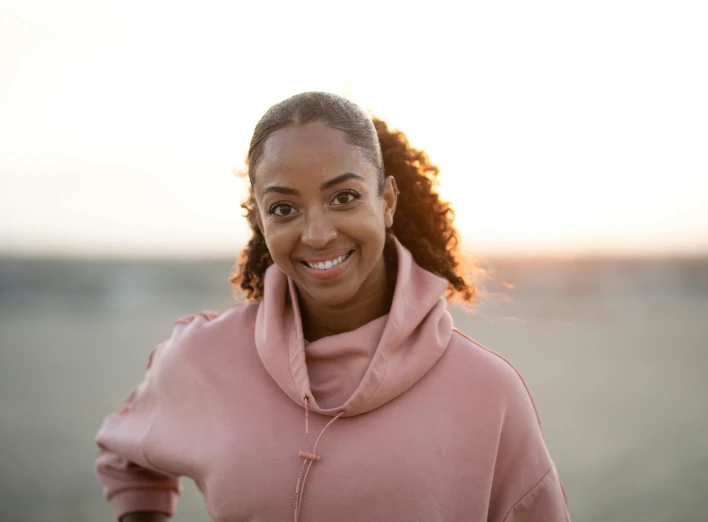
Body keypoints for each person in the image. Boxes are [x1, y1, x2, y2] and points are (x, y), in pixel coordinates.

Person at [94, 92, 571, 522]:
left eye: (344, 197)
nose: (318, 234)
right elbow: (126, 458)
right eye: (284, 208)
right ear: (259, 219)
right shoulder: (203, 356)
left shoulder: (487, 392)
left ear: (386, 202)